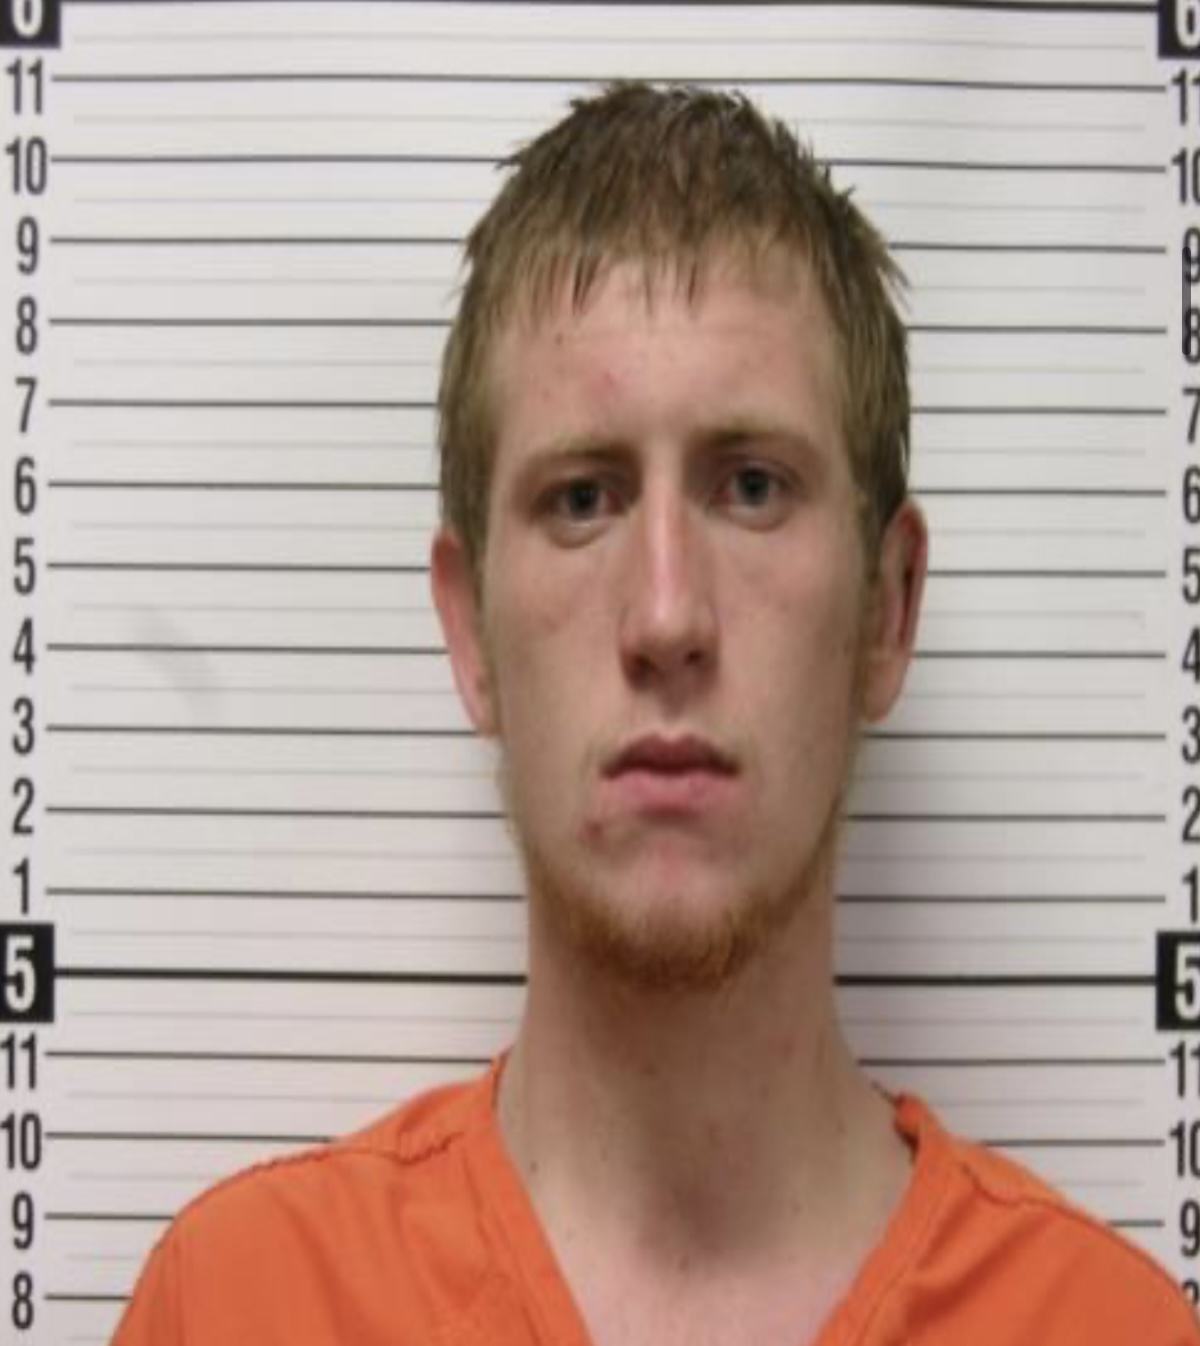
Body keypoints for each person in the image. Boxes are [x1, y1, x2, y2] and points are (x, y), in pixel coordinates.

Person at [110, 82, 1198, 1346]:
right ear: (470, 632)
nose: (668, 615)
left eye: (753, 486)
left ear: (888, 608)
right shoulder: (237, 1304)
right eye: (582, 498)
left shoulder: (1113, 1329)